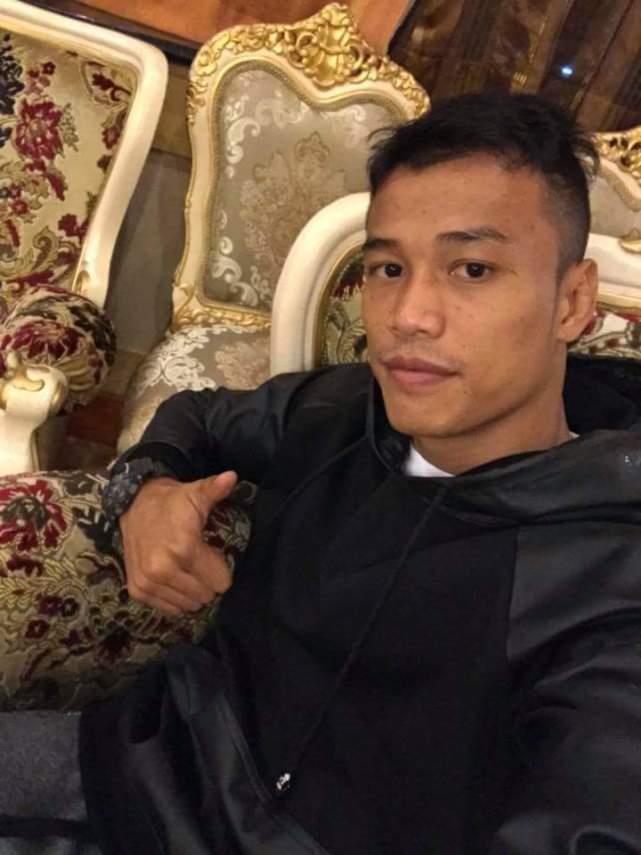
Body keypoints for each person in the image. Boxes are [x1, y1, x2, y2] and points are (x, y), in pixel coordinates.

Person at [2, 92, 641, 855]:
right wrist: (148, 488)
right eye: (388, 267)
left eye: (472, 268)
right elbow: (198, 417)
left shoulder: (603, 579)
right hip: (137, 763)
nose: (408, 314)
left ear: (571, 300)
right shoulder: (346, 411)